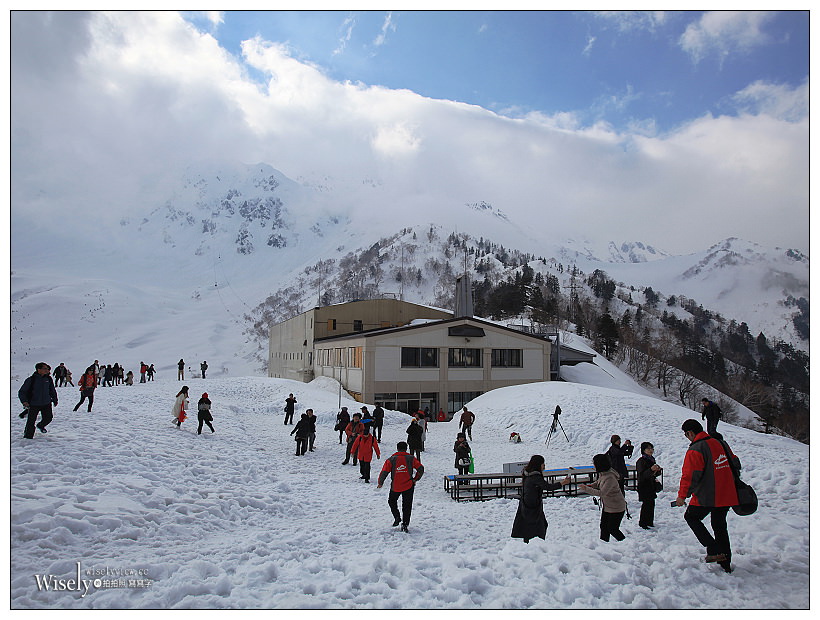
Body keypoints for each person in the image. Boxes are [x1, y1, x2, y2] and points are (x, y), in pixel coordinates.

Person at [676, 419, 739, 574]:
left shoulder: (696, 449)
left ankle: (713, 549)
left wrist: (682, 496)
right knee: (719, 526)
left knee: (691, 517)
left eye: (686, 435)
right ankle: (726, 562)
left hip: (707, 496)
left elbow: (690, 476)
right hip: (727, 493)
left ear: (690, 433)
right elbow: (735, 463)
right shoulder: (720, 443)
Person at [511, 455, 572, 543]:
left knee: (531, 527)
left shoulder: (528, 473)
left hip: (526, 504)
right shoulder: (535, 476)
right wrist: (563, 483)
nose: (544, 466)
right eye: (543, 464)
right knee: (537, 528)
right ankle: (534, 546)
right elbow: (547, 486)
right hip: (532, 506)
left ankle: (531, 544)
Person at [579, 454, 627, 542]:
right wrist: (590, 486)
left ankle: (627, 544)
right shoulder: (604, 474)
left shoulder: (610, 478)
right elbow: (598, 483)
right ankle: (604, 545)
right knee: (604, 527)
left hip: (617, 507)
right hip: (608, 506)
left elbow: (602, 493)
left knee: (613, 529)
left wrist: (586, 489)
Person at [377, 441, 424, 532]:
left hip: (396, 486)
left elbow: (384, 472)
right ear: (406, 449)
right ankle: (405, 524)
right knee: (407, 505)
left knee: (392, 501)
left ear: (397, 448)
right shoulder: (411, 458)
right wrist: (415, 479)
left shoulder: (391, 459)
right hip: (409, 485)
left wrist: (380, 482)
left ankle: (397, 517)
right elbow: (420, 468)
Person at [19, 362, 58, 439]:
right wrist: (24, 401)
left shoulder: (48, 379)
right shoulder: (31, 380)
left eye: (47, 368)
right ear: (38, 369)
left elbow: (52, 390)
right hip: (34, 404)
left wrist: (55, 399)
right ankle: (28, 437)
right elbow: (22, 392)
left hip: (46, 403)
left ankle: (40, 425)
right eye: (45, 368)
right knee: (31, 421)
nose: (47, 370)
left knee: (48, 418)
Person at [635, 442, 662, 529]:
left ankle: (650, 522)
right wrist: (651, 470)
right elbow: (642, 475)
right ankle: (643, 523)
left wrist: (657, 471)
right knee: (646, 505)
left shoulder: (652, 459)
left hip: (651, 485)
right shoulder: (641, 461)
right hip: (644, 485)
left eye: (652, 449)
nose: (651, 450)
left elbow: (653, 474)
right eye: (648, 449)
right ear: (644, 450)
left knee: (651, 504)